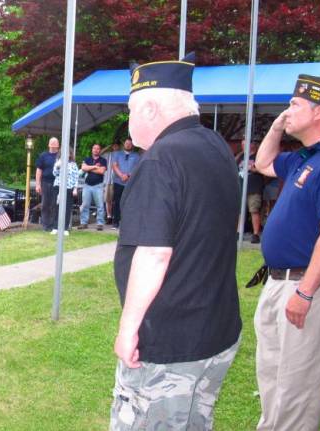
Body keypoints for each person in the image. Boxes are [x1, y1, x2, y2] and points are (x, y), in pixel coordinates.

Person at [110, 54, 241, 430]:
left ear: (149, 108)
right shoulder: (215, 146)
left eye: (131, 109)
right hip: (215, 329)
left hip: (169, 341)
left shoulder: (161, 159)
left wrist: (127, 329)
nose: (129, 119)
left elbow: (154, 254)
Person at [251, 74, 320, 431]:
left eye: (294, 105)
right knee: (274, 377)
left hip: (309, 286)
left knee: (299, 388)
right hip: (279, 283)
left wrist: (305, 291)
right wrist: (278, 126)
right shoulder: (304, 158)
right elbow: (263, 163)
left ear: (319, 111)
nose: (286, 111)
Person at [236, 140, 264, 243]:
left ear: (253, 145)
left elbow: (264, 169)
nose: (243, 146)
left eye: (245, 144)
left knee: (254, 210)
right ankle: (239, 232)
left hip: (253, 188)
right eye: (242, 144)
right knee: (240, 211)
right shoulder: (241, 157)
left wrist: (254, 170)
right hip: (241, 188)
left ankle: (256, 234)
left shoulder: (258, 156)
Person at [111, 137, 140, 229]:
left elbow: (137, 168)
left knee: (129, 203)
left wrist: (128, 175)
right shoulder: (117, 154)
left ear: (132, 145)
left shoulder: (136, 156)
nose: (128, 145)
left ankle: (127, 222)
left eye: (130, 143)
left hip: (130, 183)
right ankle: (115, 222)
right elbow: (114, 166)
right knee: (117, 202)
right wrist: (121, 175)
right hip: (118, 182)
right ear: (124, 144)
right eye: (126, 143)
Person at [79, 144, 107, 231]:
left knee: (100, 206)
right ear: (92, 150)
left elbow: (102, 171)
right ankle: (84, 223)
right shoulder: (87, 159)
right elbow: (83, 168)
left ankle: (100, 224)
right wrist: (95, 167)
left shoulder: (103, 160)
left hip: (98, 186)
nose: (96, 150)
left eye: (98, 149)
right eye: (94, 148)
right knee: (85, 205)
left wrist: (89, 168)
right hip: (87, 185)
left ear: (100, 150)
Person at [35, 137, 60, 232]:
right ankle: (45, 225)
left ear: (58, 145)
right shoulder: (43, 155)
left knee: (55, 204)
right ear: (49, 144)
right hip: (45, 182)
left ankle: (53, 225)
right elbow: (39, 170)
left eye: (55, 143)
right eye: (52, 143)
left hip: (57, 183)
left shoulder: (61, 156)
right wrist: (37, 184)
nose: (53, 144)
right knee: (45, 204)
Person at [51, 151, 78, 236]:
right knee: (56, 207)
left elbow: (76, 177)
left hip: (69, 187)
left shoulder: (73, 165)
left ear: (70, 155)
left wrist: (75, 189)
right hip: (58, 186)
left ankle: (65, 228)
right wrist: (57, 166)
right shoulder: (58, 162)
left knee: (67, 208)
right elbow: (54, 174)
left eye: (68, 153)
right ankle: (55, 227)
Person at [102, 141, 120, 224]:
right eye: (114, 145)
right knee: (108, 199)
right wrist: (108, 145)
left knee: (116, 200)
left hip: (118, 180)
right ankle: (109, 216)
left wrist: (123, 145)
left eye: (117, 146)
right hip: (108, 180)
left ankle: (115, 216)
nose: (115, 147)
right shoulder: (108, 154)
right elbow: (100, 153)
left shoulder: (121, 155)